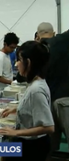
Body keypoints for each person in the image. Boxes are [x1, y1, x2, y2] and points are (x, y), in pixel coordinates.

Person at [0, 41, 54, 161]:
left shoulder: (36, 90)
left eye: (19, 60)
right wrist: (16, 108)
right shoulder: (35, 83)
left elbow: (48, 127)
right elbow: (35, 106)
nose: (16, 64)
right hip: (30, 143)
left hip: (33, 146)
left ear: (28, 62)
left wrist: (16, 133)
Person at [37, 23, 69, 152]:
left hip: (47, 102)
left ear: (38, 35)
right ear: (54, 32)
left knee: (49, 147)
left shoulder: (38, 49)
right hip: (65, 98)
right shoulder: (63, 40)